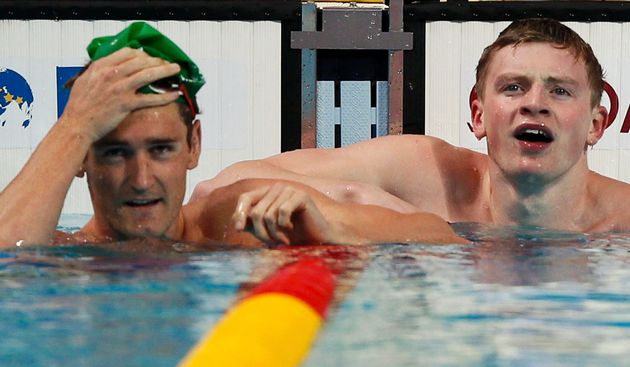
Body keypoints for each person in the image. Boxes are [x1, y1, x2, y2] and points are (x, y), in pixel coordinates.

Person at [0, 22, 464, 249]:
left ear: (194, 145)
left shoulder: (233, 220)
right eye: (116, 153)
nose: (141, 179)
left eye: (161, 150)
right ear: (81, 158)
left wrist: (334, 230)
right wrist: (76, 124)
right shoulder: (61, 254)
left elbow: (440, 238)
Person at [193, 18, 630, 233]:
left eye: (560, 91)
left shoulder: (622, 223)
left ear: (597, 122)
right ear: (478, 114)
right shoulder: (426, 173)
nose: (534, 105)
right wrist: (362, 202)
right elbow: (219, 187)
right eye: (513, 88)